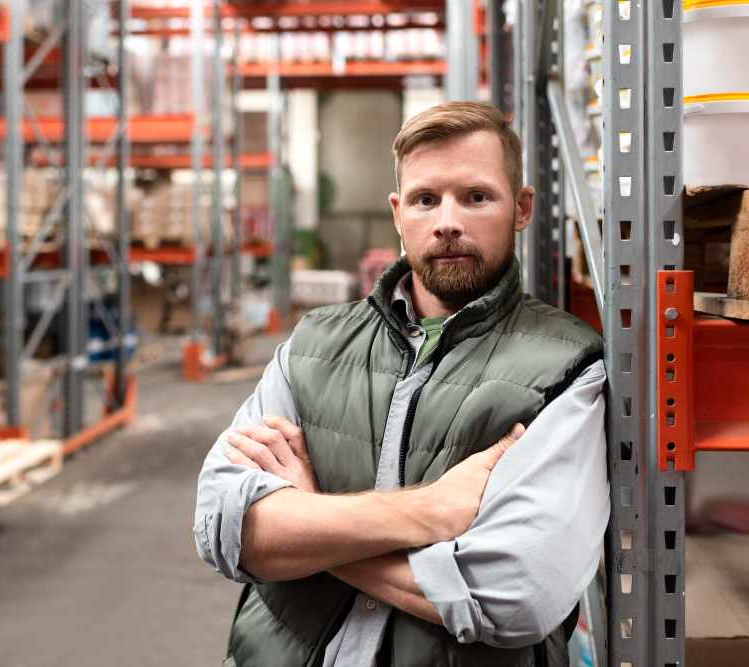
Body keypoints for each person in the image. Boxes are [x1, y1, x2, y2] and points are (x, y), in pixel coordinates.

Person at [193, 101, 610, 667]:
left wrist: (310, 518)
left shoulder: (566, 365)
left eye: (477, 196)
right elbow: (225, 527)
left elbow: (515, 596)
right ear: (397, 212)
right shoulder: (313, 345)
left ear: (522, 208)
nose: (447, 221)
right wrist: (433, 513)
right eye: (425, 199)